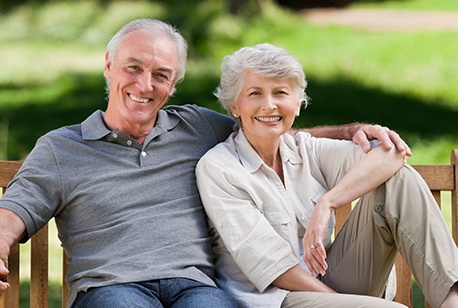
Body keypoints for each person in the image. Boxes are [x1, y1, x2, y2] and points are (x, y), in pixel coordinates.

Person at [0, 19, 410, 308]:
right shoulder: (61, 148)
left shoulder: (194, 126)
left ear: (174, 83)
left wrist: (350, 130)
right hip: (113, 288)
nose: (146, 85)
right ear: (109, 66)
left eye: (161, 74)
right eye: (134, 68)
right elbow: (14, 211)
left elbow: (267, 127)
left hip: (194, 287)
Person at [195, 43, 458, 308]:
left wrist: (327, 202)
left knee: (398, 181)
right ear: (234, 106)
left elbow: (391, 155)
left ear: (297, 105)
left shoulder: (306, 149)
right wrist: (341, 303)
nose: (269, 105)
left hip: (329, 280)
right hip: (277, 299)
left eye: (280, 92)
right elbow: (276, 270)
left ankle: (451, 299)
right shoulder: (219, 169)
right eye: (255, 94)